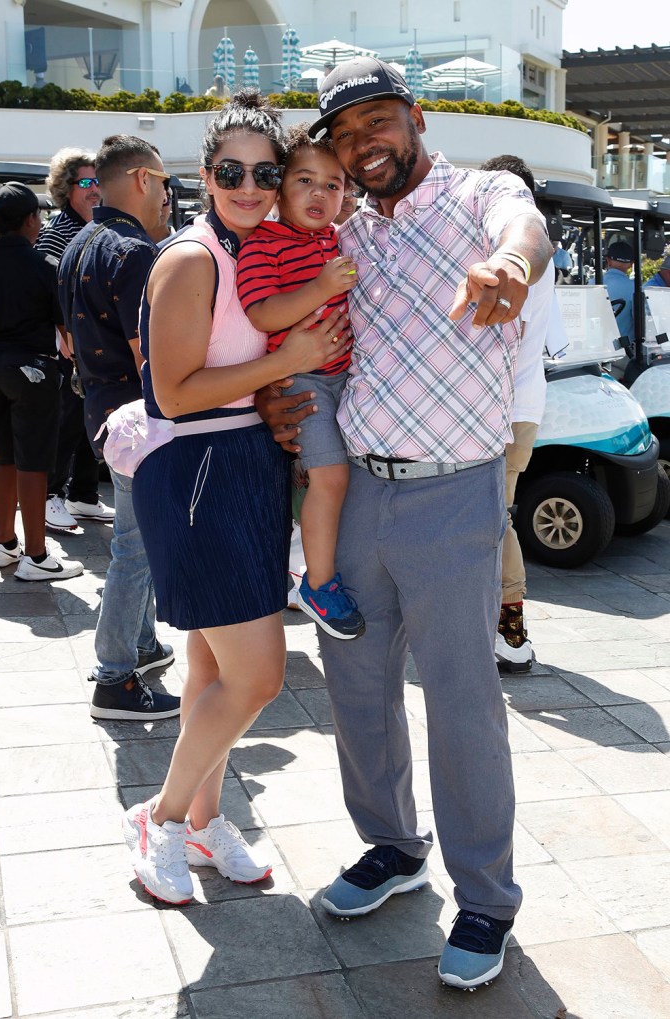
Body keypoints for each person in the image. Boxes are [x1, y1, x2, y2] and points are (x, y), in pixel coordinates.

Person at [257, 57, 553, 990]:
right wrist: (280, 393)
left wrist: (509, 260)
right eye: (344, 136)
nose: (361, 146)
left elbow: (525, 225)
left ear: (415, 117)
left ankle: (485, 898)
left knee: (463, 701)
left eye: (376, 122)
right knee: (354, 683)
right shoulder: (346, 224)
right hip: (351, 492)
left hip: (454, 492)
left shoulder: (480, 194)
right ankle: (391, 845)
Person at [122, 91, 349, 904]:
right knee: (257, 674)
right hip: (195, 473)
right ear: (204, 174)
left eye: (265, 171)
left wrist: (275, 394)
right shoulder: (191, 258)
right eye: (231, 171)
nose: (249, 185)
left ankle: (206, 820)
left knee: (213, 666)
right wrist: (283, 358)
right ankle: (162, 814)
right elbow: (175, 395)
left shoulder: (251, 249)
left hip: (244, 464)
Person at [59, 135, 179, 722]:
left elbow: (67, 340)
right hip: (141, 421)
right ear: (140, 178)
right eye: (163, 183)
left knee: (139, 545)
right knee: (136, 549)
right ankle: (114, 677)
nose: (166, 196)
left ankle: (142, 644)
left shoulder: (79, 241)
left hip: (105, 415)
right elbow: (150, 358)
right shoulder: (134, 251)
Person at [237, 123, 363, 639]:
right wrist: (321, 286)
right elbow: (264, 314)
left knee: (340, 483)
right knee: (330, 479)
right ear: (280, 186)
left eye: (333, 185)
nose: (319, 194)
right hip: (301, 383)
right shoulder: (263, 242)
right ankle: (318, 583)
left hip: (345, 380)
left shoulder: (338, 238)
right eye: (305, 180)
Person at [479, 155, 558, 673]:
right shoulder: (547, 258)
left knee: (495, 521)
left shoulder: (508, 255)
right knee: (491, 519)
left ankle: (511, 630)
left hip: (500, 412)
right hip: (524, 408)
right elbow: (552, 340)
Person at [0, 182, 84, 581]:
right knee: (33, 463)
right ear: (31, 220)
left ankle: (5, 544)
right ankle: (37, 555)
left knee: (4, 456)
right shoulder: (44, 266)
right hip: (32, 371)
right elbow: (66, 329)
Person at [35, 147, 114, 533]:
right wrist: (60, 338)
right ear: (68, 188)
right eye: (85, 181)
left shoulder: (98, 227)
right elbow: (42, 293)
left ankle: (83, 495)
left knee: (90, 421)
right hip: (65, 347)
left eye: (98, 180)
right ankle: (51, 494)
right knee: (65, 422)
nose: (94, 188)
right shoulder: (56, 232)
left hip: (92, 343)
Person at [592, 240, 635, 347]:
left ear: (608, 260)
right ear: (630, 264)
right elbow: (642, 325)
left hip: (595, 350)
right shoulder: (635, 288)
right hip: (623, 353)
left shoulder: (592, 283)